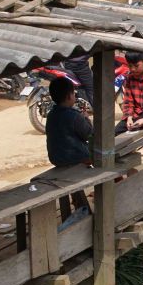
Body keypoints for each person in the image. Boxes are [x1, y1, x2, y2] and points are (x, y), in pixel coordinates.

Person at [45, 77, 93, 217]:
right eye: (74, 94)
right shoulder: (74, 116)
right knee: (101, 158)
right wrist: (86, 119)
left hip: (56, 158)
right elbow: (88, 134)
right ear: (69, 96)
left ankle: (78, 203)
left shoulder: (50, 115)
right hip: (76, 158)